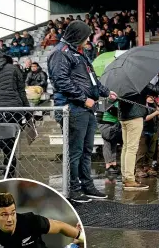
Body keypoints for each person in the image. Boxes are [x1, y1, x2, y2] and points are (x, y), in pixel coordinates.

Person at [47, 20, 118, 203]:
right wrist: (83, 99)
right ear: (78, 35)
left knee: (86, 150)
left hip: (87, 108)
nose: (89, 39)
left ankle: (87, 185)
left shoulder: (79, 53)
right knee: (75, 151)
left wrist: (105, 91)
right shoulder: (60, 53)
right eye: (86, 35)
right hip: (73, 108)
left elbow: (91, 79)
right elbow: (61, 81)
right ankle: (73, 189)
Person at [118, 71, 159, 190]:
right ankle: (129, 179)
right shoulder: (139, 80)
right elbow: (156, 90)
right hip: (135, 116)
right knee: (132, 148)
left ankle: (125, 175)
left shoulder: (121, 80)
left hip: (123, 116)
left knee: (126, 147)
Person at [0, 193, 85, 248]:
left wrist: (81, 236)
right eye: (4, 215)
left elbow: (60, 226)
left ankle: (76, 242)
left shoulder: (30, 221)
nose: (10, 219)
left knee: (79, 242)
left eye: (12, 213)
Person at [0, 53, 30, 178]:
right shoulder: (14, 69)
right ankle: (9, 175)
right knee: (10, 146)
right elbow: (21, 91)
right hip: (12, 111)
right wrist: (28, 113)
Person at [97, 100, 122, 175]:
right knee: (107, 142)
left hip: (114, 123)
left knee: (113, 143)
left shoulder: (118, 99)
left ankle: (113, 163)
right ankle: (108, 165)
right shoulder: (106, 99)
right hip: (105, 122)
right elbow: (112, 111)